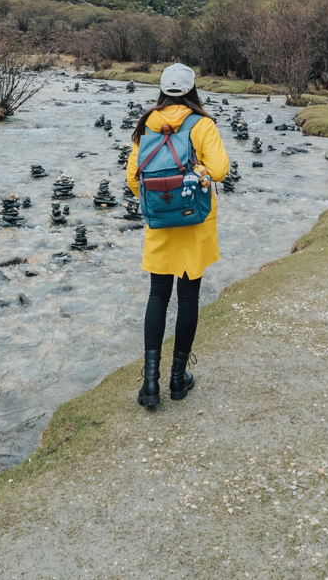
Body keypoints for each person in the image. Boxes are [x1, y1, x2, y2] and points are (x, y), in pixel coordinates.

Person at [124, 61, 230, 409]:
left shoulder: (145, 125)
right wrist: (196, 170)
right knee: (187, 298)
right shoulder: (202, 124)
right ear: (190, 90)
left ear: (163, 90)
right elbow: (219, 171)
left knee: (158, 294)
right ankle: (177, 379)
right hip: (194, 221)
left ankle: (150, 385)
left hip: (161, 223)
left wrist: (160, 195)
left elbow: (132, 179)